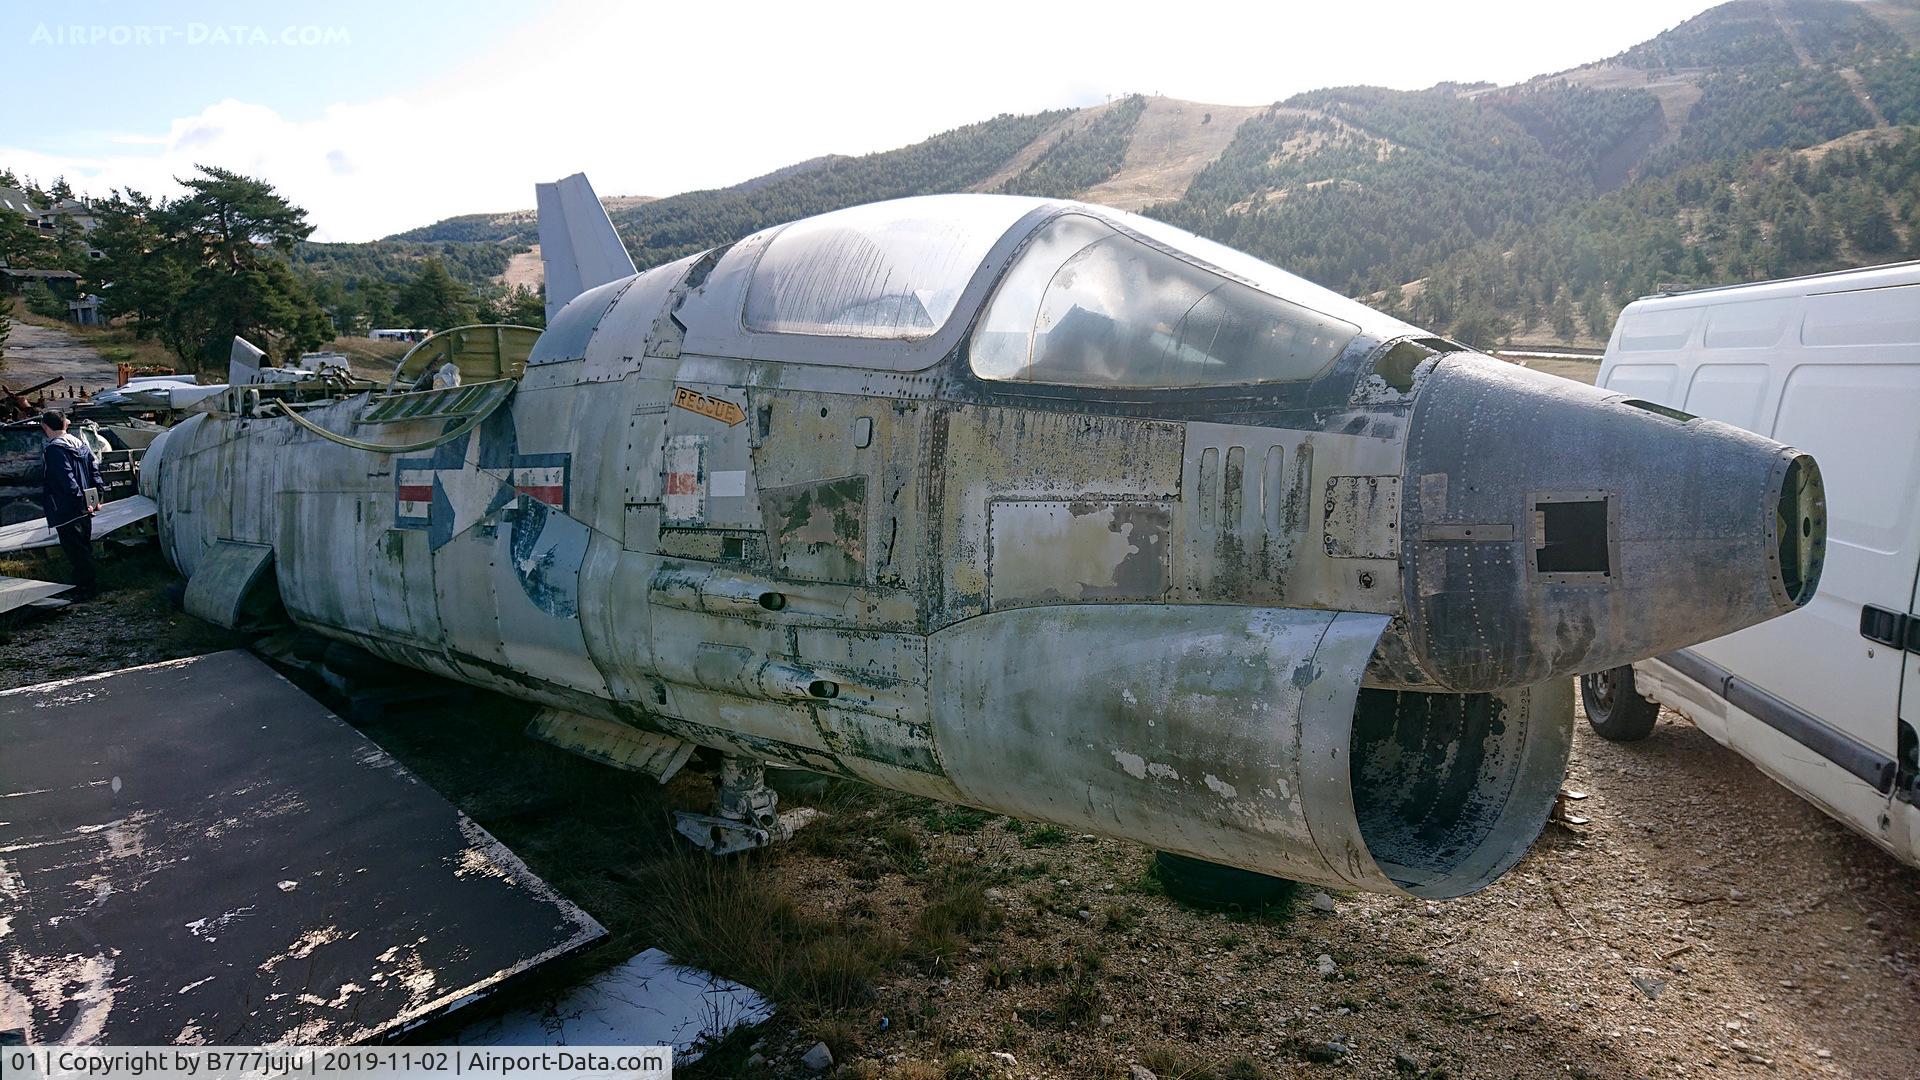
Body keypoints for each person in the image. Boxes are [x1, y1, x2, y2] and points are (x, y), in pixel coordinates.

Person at [39, 409, 104, 601]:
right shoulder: (81, 445)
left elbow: (66, 479)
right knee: (83, 547)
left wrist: (78, 500)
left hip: (67, 507)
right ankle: (85, 585)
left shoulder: (54, 449)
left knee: (76, 551)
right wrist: (97, 497)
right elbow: (95, 470)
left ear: (44, 426)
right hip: (85, 506)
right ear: (66, 424)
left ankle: (86, 589)